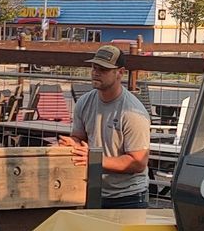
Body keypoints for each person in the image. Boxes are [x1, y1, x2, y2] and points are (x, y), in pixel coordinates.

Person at [58, 43, 152, 209]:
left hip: (128, 196)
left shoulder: (133, 112)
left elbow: (138, 163)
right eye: (94, 67)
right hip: (93, 189)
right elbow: (79, 138)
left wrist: (94, 160)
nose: (96, 72)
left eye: (103, 69)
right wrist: (72, 144)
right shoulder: (84, 102)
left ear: (120, 73)